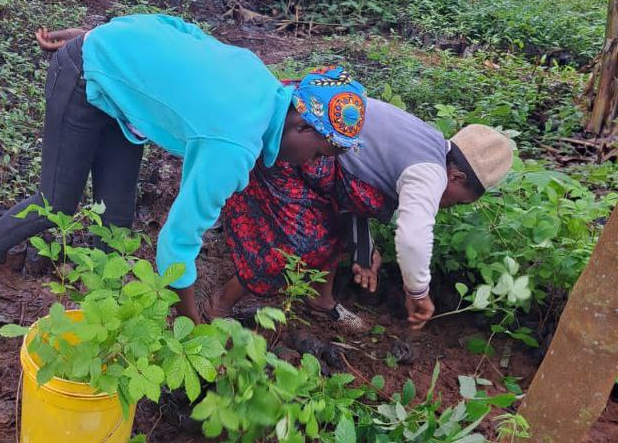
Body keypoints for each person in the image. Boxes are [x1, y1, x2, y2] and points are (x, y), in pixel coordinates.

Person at [0, 14, 367, 326]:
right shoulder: (235, 145)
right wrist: (188, 324)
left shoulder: (263, 82)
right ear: (301, 125)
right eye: (319, 153)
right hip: (83, 75)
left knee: (115, 220)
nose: (312, 164)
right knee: (57, 200)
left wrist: (108, 39)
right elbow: (177, 243)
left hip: (123, 106)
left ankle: (99, 312)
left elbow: (182, 32)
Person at [215, 97, 513, 332]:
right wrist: (418, 292)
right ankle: (219, 305)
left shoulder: (429, 143)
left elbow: (350, 189)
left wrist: (363, 248)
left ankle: (321, 299)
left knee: (331, 228)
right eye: (459, 202)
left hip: (309, 145)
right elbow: (412, 239)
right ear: (457, 177)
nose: (449, 207)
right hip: (288, 142)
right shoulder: (429, 172)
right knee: (296, 242)